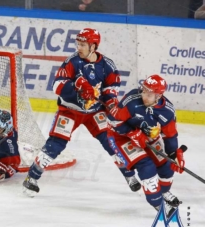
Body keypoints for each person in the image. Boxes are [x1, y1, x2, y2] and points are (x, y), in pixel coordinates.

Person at [22, 28, 140, 197]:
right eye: (78, 44)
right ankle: (31, 178)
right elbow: (57, 86)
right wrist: (78, 90)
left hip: (94, 112)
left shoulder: (107, 66)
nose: (79, 48)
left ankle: (129, 175)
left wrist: (111, 104)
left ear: (94, 46)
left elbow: (111, 89)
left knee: (111, 142)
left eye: (83, 44)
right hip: (70, 111)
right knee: (56, 144)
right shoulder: (72, 62)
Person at [106, 74, 184, 218]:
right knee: (146, 166)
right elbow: (113, 121)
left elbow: (170, 135)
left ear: (159, 95)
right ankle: (158, 204)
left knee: (167, 163)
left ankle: (164, 192)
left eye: (149, 94)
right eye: (143, 91)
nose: (144, 96)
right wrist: (133, 133)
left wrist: (174, 154)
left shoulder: (167, 111)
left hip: (147, 138)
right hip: (121, 137)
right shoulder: (132, 100)